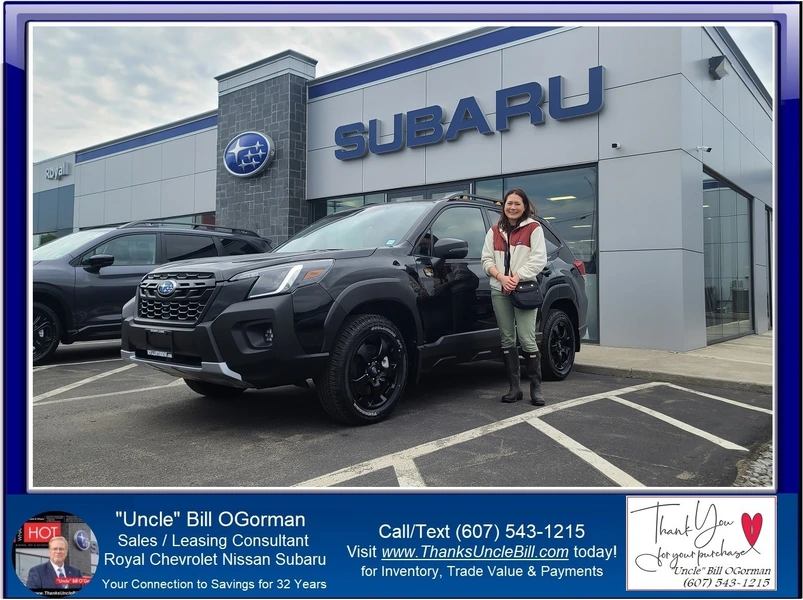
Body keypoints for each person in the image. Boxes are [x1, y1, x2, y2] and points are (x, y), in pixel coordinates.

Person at [481, 189, 547, 405]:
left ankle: (536, 389)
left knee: (527, 338)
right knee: (507, 339)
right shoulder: (494, 231)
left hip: (525, 290)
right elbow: (486, 261)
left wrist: (515, 278)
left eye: (517, 203)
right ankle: (514, 388)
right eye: (509, 203)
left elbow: (538, 260)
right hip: (499, 290)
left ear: (525, 206)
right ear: (504, 206)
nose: (513, 207)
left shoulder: (533, 229)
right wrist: (501, 277)